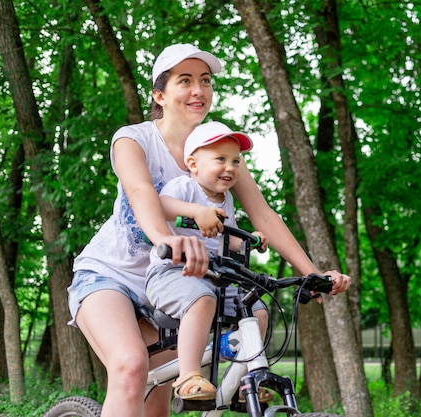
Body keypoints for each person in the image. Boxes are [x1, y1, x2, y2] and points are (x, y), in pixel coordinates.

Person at [67, 42, 351, 417]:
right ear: (160, 95)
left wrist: (311, 273)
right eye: (184, 81)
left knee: (157, 403)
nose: (198, 90)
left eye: (205, 81)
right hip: (110, 277)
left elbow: (263, 216)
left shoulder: (222, 153)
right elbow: (141, 193)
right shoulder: (133, 139)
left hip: (176, 286)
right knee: (131, 367)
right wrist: (168, 239)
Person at [145, 121, 270, 402]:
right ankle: (188, 376)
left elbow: (229, 239)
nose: (230, 167)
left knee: (257, 310)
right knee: (202, 299)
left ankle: (243, 382)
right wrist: (198, 211)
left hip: (214, 279)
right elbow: (159, 206)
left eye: (236, 161)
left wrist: (249, 239)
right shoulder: (185, 187)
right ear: (193, 163)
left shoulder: (226, 201)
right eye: (221, 159)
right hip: (173, 273)